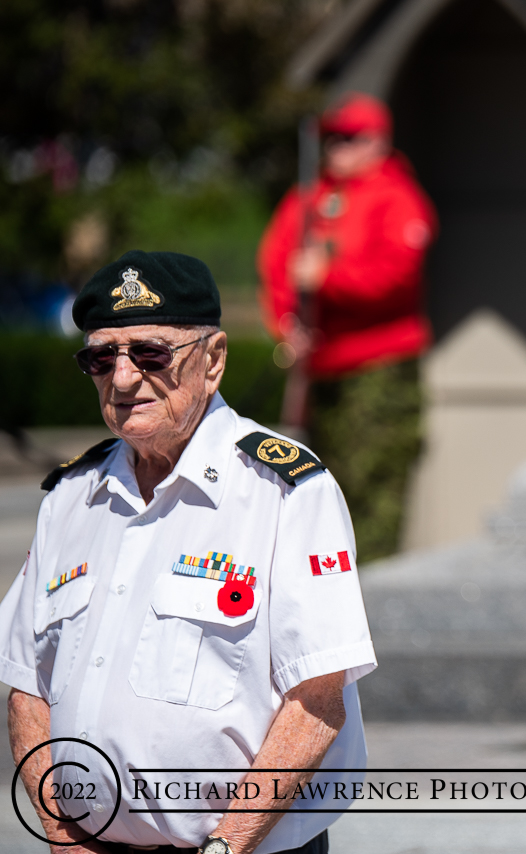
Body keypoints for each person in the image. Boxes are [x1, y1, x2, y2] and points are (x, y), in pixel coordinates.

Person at [1, 251, 377, 854]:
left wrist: (226, 846)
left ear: (214, 360)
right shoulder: (70, 498)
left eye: (150, 353)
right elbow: (26, 684)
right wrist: (64, 836)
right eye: (102, 357)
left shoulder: (284, 491)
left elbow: (317, 699)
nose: (123, 379)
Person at [257, 92, 438, 560]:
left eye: (348, 138)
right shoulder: (309, 198)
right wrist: (286, 323)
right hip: (323, 367)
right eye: (331, 138)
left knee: (372, 490)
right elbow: (276, 261)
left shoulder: (396, 196)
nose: (336, 148)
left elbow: (396, 276)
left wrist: (329, 279)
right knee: (323, 488)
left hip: (379, 368)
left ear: (376, 142)